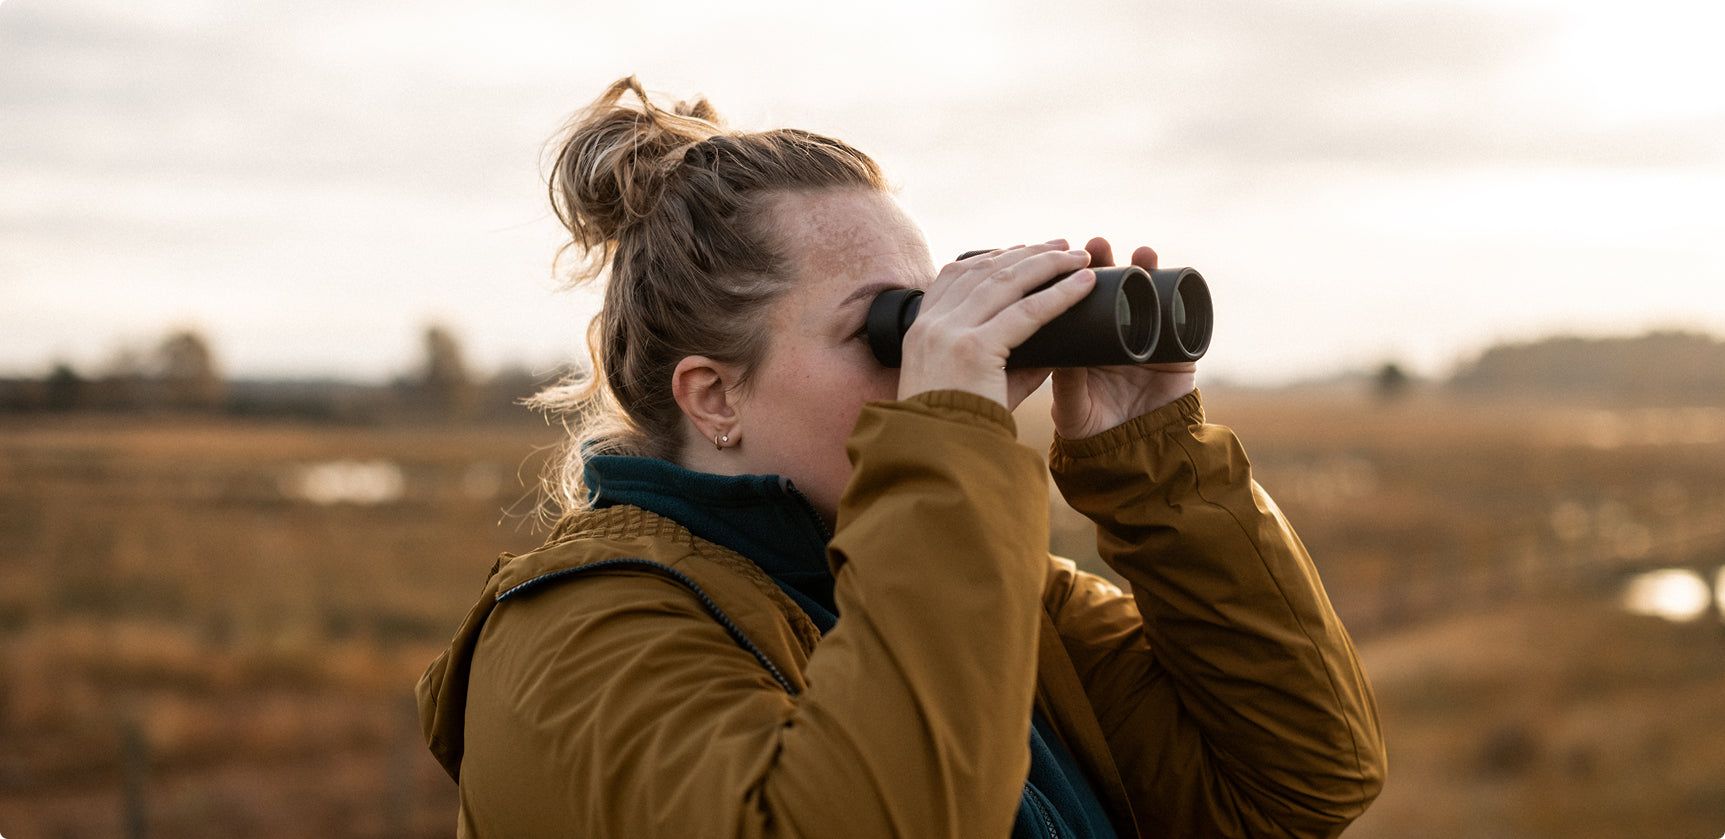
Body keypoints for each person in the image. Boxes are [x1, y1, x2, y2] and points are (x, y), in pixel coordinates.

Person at [417, 76, 1385, 838]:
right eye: (889, 329)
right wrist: (947, 448)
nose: (935, 358)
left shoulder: (972, 594)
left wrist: (1150, 460)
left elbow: (1300, 781)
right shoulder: (575, 639)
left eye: (932, 311)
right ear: (715, 395)